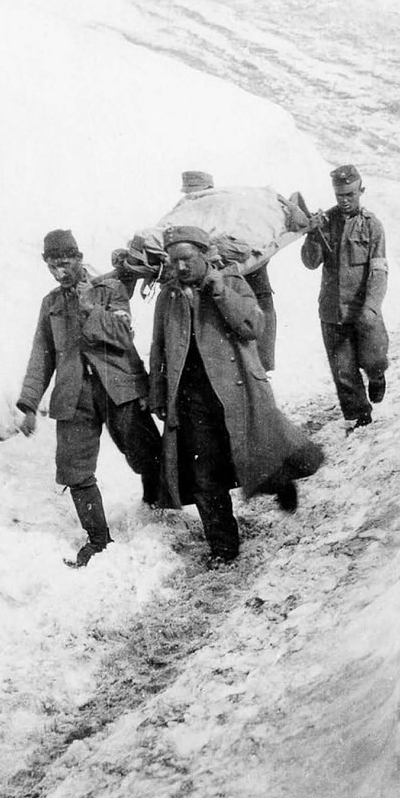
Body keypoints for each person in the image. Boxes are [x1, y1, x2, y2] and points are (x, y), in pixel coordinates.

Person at [149, 224, 323, 566]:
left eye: (187, 259)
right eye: (174, 261)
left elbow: (252, 327)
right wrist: (159, 394)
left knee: (257, 454)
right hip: (191, 399)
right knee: (204, 475)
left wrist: (219, 293)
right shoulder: (168, 297)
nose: (181, 267)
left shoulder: (230, 283)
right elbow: (159, 348)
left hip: (235, 392)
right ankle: (223, 546)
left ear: (203, 256)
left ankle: (280, 482)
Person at [17, 229, 162, 569]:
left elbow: (122, 335)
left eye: (65, 264)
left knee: (145, 453)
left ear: (79, 259)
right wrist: (28, 404)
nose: (59, 272)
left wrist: (88, 306)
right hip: (74, 396)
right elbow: (42, 354)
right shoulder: (51, 303)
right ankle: (98, 540)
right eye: (52, 266)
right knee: (74, 469)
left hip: (119, 388)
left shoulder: (109, 289)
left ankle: (155, 505)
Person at [301, 164, 389, 429]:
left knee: (373, 360)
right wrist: (312, 235)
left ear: (360, 190)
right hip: (332, 309)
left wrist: (371, 307)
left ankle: (377, 377)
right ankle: (360, 416)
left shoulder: (372, 226)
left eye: (350, 194)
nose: (345, 200)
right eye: (340, 195)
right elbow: (310, 262)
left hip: (362, 309)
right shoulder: (326, 222)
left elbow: (379, 271)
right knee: (343, 370)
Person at [179, 170, 278, 372]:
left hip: (253, 298)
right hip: (220, 305)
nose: (194, 201)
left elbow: (254, 246)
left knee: (255, 367)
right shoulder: (192, 220)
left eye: (197, 196)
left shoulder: (234, 214)